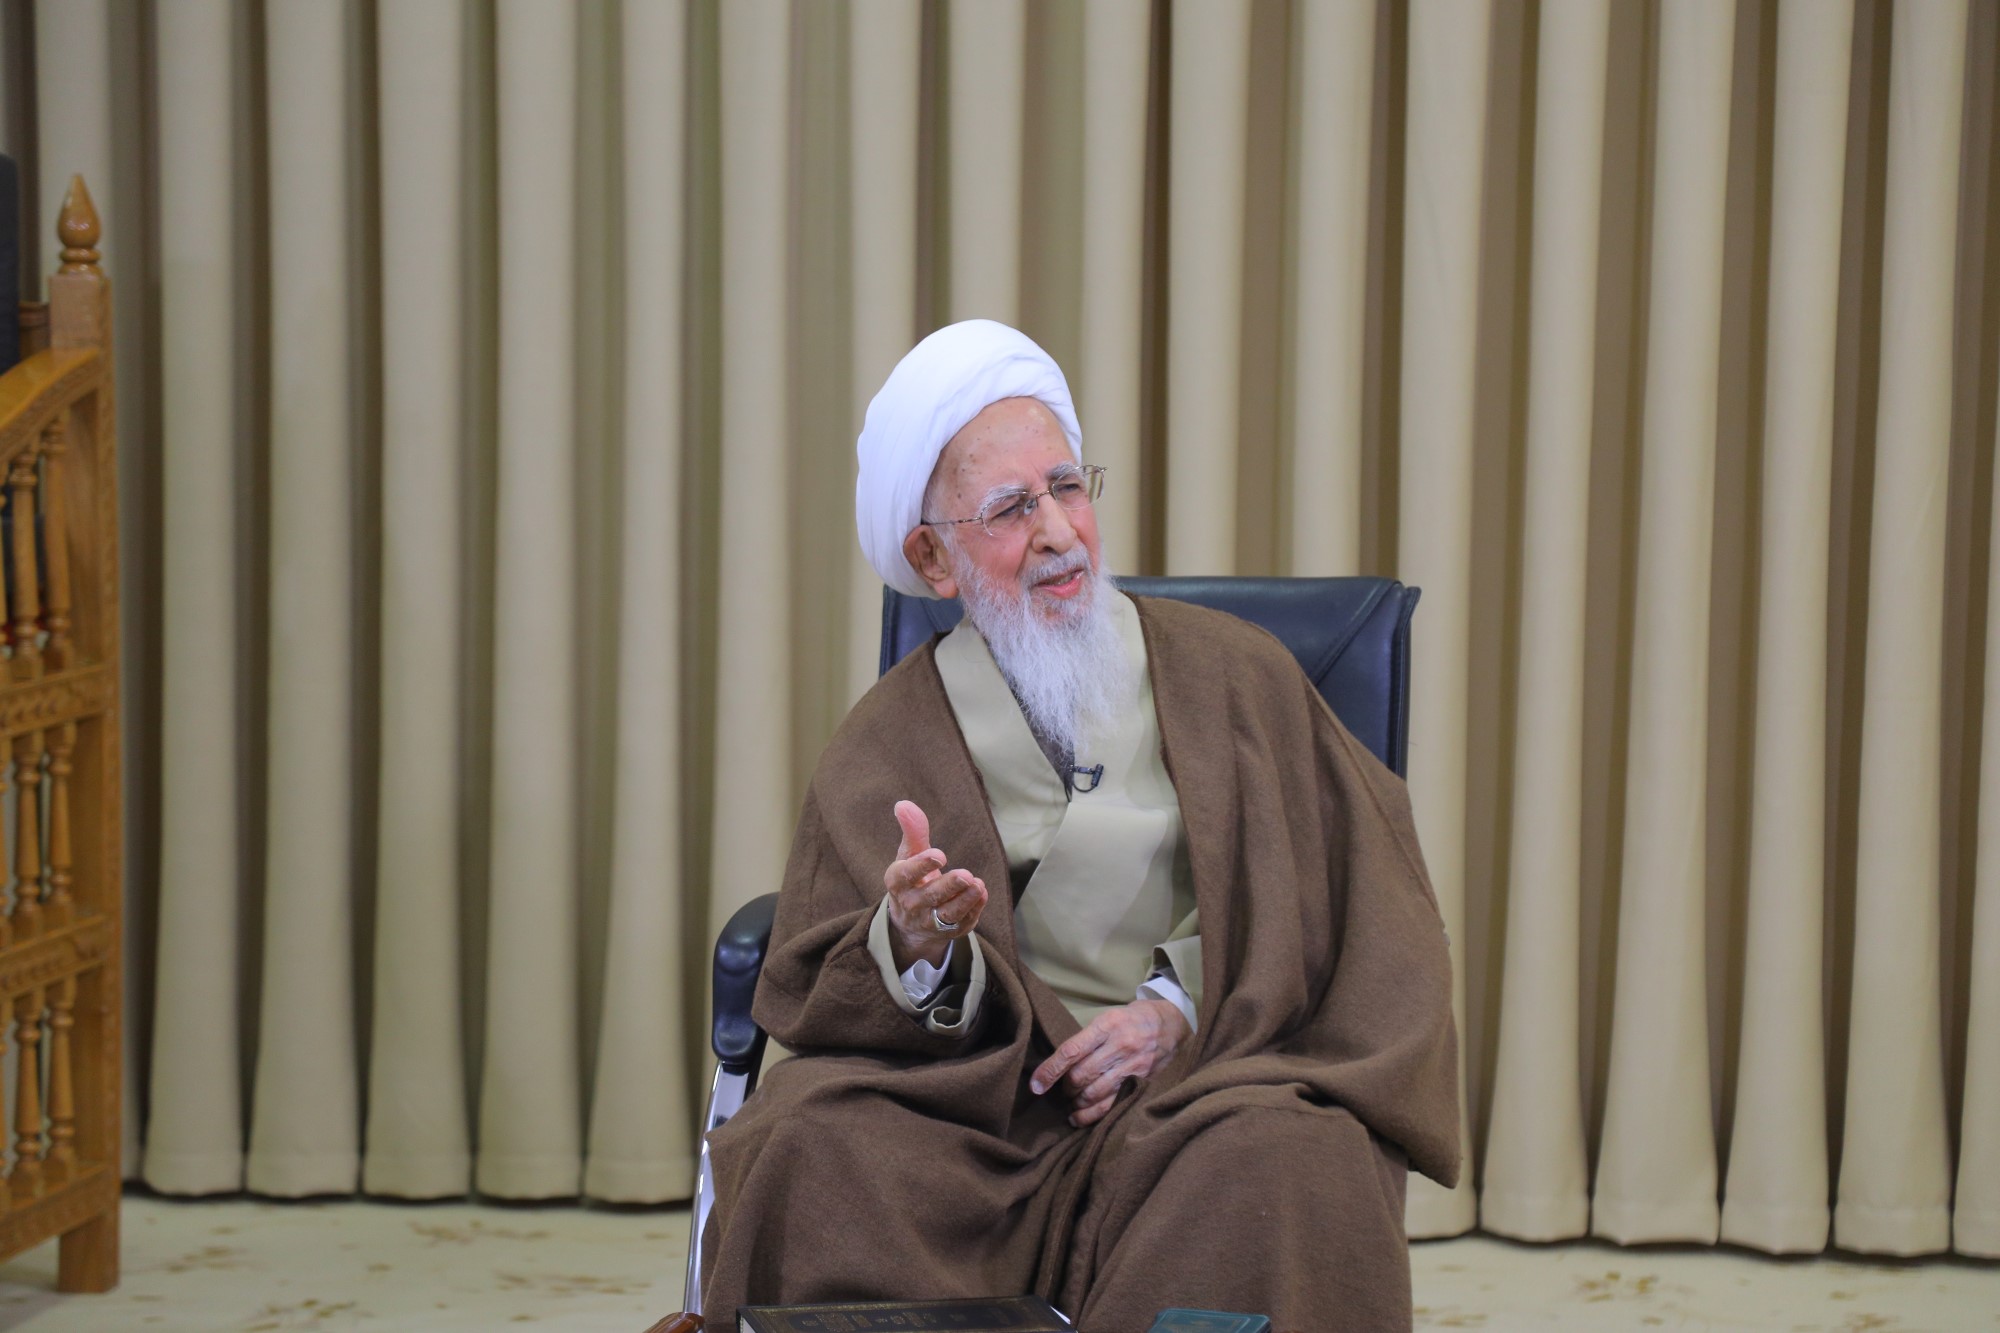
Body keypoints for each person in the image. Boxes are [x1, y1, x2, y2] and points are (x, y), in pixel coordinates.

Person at [701, 320, 1459, 1332]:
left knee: (1292, 1160)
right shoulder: (885, 740)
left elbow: (1343, 897)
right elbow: (822, 975)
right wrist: (917, 945)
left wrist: (1175, 1008)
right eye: (1011, 508)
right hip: (983, 1110)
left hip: (1205, 1084)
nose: (1058, 531)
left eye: (1066, 486)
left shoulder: (1235, 674)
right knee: (803, 1140)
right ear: (932, 556)